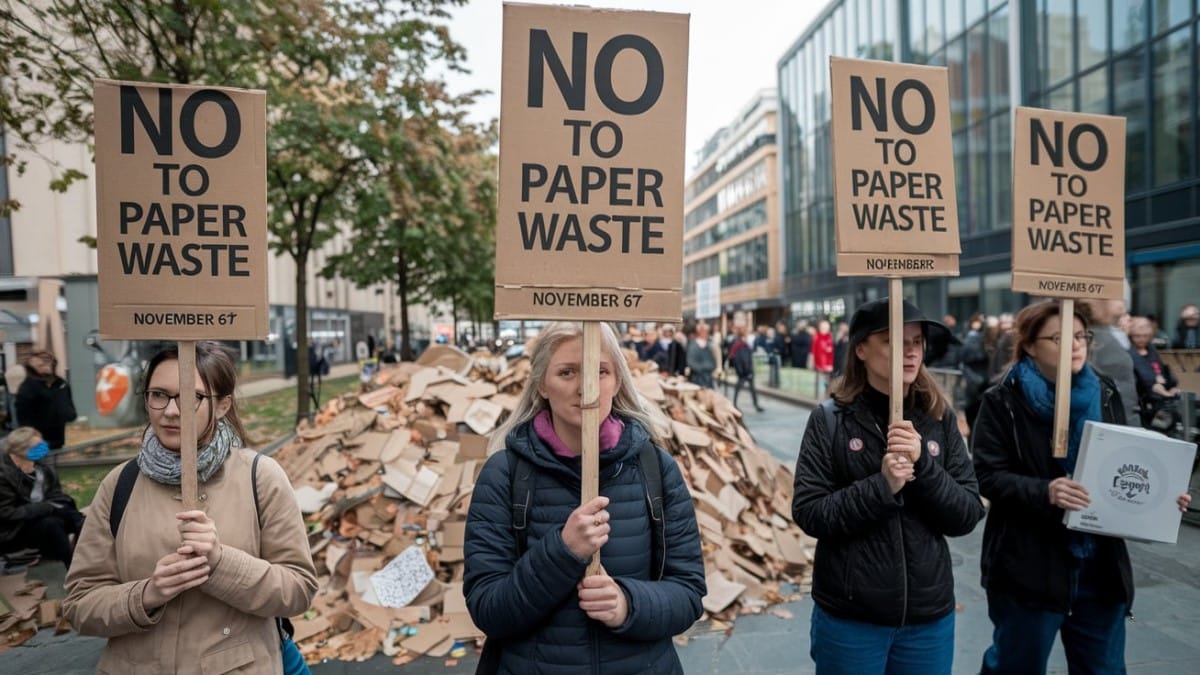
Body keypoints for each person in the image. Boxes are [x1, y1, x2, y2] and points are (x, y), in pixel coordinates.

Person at [464, 322, 705, 674]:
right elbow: (488, 609)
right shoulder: (505, 474)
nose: (587, 386)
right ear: (542, 384)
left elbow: (688, 593)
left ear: (617, 380)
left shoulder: (655, 468)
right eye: (567, 372)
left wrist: (628, 604)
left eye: (600, 371)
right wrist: (562, 552)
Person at [63, 341, 318, 674]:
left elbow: (298, 590)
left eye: (190, 397)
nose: (170, 411)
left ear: (223, 404)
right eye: (158, 395)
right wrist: (146, 595)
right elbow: (80, 604)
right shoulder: (120, 484)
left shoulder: (261, 477)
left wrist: (219, 562)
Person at [971, 301, 1191, 674]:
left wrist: (1161, 496)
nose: (1075, 345)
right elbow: (988, 475)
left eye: (1079, 336)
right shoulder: (1002, 400)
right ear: (1029, 345)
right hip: (1031, 567)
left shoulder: (1103, 391)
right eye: (1058, 337)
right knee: (1015, 665)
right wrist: (1046, 491)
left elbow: (1121, 465)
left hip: (1098, 568)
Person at [793, 298, 983, 674]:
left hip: (927, 619)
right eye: (895, 341)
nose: (911, 351)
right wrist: (881, 486)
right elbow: (810, 511)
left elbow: (967, 512)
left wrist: (923, 467)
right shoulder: (829, 420)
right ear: (861, 349)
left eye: (917, 341)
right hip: (852, 619)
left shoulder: (938, 417)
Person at [0, 427, 84, 567]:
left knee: (78, 520)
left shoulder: (42, 468)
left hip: (39, 518)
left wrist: (59, 506)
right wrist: (46, 508)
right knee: (52, 524)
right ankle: (73, 568)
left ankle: (91, 560)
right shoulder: (4, 476)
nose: (43, 448)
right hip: (12, 531)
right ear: (20, 450)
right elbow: (6, 513)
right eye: (37, 446)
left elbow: (56, 495)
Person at [1082, 299, 1140, 426]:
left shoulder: (1110, 332)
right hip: (1108, 421)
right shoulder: (1093, 336)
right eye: (1115, 297)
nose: (1122, 303)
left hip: (1122, 416)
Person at [15, 349, 77, 450]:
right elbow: (23, 418)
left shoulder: (60, 383)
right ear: (32, 367)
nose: (45, 364)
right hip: (37, 442)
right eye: (40, 364)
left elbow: (69, 412)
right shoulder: (28, 387)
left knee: (54, 464)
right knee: (40, 464)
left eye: (47, 361)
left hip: (58, 441)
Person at [1128, 316, 1180, 429]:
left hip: (1160, 401)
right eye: (1137, 336)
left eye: (1145, 336)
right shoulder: (1129, 352)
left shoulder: (1152, 351)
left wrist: (1171, 385)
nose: (1141, 339)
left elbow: (1162, 371)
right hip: (1143, 402)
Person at [728, 327, 765, 412]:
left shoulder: (740, 345)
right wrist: (747, 371)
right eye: (746, 335)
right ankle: (737, 404)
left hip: (744, 371)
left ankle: (737, 404)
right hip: (745, 372)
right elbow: (743, 360)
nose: (748, 337)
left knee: (745, 389)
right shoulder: (741, 345)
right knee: (746, 388)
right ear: (743, 336)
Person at [685, 323, 717, 388]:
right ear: (699, 332)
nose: (707, 334)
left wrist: (708, 368)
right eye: (705, 331)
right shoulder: (692, 346)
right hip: (696, 380)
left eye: (707, 332)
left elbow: (713, 363)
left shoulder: (708, 346)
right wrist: (704, 368)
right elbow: (691, 363)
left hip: (708, 380)